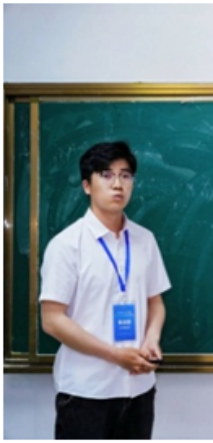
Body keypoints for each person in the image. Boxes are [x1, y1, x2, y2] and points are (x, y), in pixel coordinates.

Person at [39, 141, 171, 440]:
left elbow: (155, 301)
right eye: (106, 175)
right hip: (87, 391)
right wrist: (115, 355)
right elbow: (52, 320)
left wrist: (152, 338)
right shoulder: (66, 245)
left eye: (125, 175)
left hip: (139, 387)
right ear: (87, 185)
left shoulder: (145, 240)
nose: (118, 184)